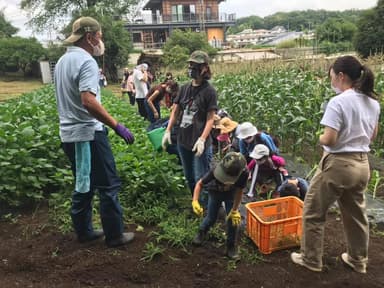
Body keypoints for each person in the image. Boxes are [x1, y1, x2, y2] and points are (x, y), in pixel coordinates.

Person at [291, 55, 380, 274]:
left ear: (341, 76)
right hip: (362, 165)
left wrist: (319, 137)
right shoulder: (372, 102)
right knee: (356, 215)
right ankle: (358, 260)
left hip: (339, 165)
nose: (331, 80)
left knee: (313, 211)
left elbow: (329, 139)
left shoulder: (338, 101)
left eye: (331, 76)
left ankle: (311, 259)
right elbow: (372, 137)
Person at [54, 16, 135, 248]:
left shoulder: (62, 61)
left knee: (84, 182)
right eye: (99, 36)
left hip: (69, 134)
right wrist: (116, 125)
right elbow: (88, 101)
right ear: (89, 37)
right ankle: (115, 235)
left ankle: (84, 231)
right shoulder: (86, 62)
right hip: (87, 133)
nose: (101, 41)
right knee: (108, 185)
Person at [162, 50, 218, 206]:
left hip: (199, 143)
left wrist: (202, 139)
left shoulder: (209, 91)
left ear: (204, 68)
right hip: (183, 141)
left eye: (195, 66)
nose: (191, 68)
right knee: (189, 176)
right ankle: (196, 203)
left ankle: (207, 206)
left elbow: (210, 118)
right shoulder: (185, 88)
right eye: (190, 65)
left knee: (202, 176)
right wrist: (168, 130)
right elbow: (176, 110)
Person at [191, 152, 248, 260]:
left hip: (231, 194)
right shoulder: (215, 170)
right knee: (211, 217)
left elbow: (239, 191)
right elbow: (199, 184)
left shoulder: (244, 174)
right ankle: (201, 232)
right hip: (215, 192)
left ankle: (231, 246)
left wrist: (235, 210)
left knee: (232, 220)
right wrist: (195, 201)